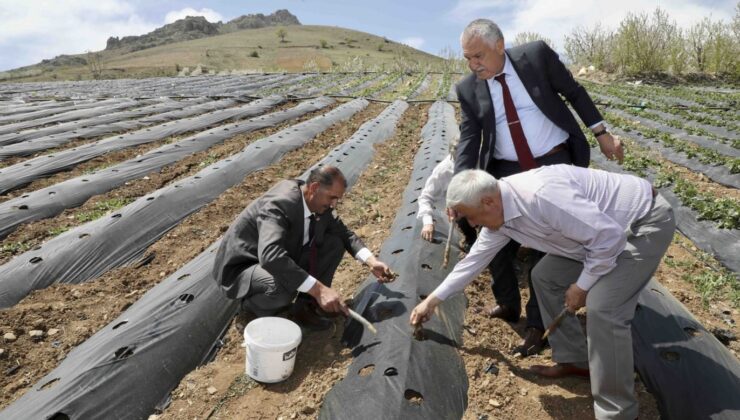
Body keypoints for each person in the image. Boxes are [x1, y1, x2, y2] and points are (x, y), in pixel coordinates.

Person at [411, 166, 675, 420]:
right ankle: (577, 361)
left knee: (604, 308)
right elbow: (474, 262)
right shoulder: (498, 217)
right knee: (545, 276)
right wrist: (432, 302)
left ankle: (619, 413)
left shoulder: (542, 196)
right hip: (592, 238)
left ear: (489, 202)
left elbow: (609, 238)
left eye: (470, 216)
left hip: (639, 224)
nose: (471, 223)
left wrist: (582, 286)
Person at [453, 18, 624, 355]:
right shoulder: (468, 88)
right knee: (492, 238)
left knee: (548, 243)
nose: (474, 65)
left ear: (499, 45)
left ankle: (536, 323)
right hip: (508, 168)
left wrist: (602, 134)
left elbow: (573, 92)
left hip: (553, 161)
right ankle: (507, 303)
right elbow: (470, 137)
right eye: (468, 59)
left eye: (479, 57)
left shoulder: (535, 57)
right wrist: (460, 187)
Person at [213, 165, 395, 330]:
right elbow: (271, 256)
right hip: (244, 265)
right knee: (281, 284)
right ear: (315, 188)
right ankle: (249, 312)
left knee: (334, 243)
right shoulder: (280, 204)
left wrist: (372, 261)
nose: (334, 204)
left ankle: (305, 307)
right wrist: (320, 289)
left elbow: (344, 234)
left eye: (337, 199)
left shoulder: (317, 203)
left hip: (279, 256)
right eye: (332, 197)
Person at [417, 135, 477, 246]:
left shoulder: (481, 160)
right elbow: (426, 197)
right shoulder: (444, 171)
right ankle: (471, 240)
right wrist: (427, 222)